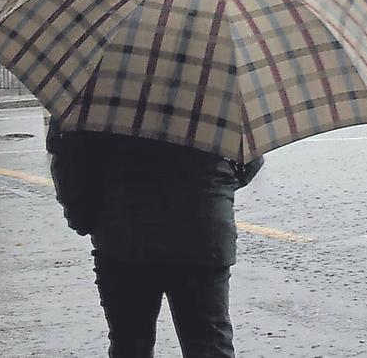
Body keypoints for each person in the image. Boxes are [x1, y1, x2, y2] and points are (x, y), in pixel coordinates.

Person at [46, 118, 263, 357]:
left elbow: (69, 161)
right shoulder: (214, 89)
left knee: (130, 344)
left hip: (123, 235)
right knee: (209, 345)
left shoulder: (99, 92)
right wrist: (214, 188)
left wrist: (84, 219)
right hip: (203, 230)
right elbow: (251, 157)